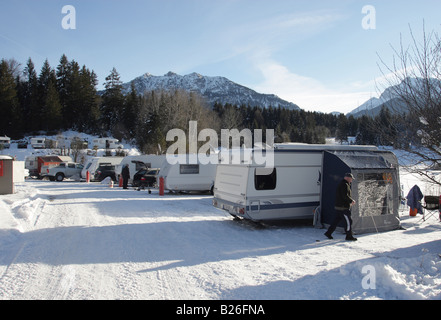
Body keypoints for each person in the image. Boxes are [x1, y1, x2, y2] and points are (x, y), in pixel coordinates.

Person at [324, 173, 358, 241]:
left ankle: (328, 232)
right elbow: (344, 195)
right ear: (347, 178)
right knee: (348, 221)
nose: (352, 180)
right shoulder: (344, 185)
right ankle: (349, 236)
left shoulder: (344, 184)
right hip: (343, 208)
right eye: (351, 178)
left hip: (339, 207)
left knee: (336, 221)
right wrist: (351, 201)